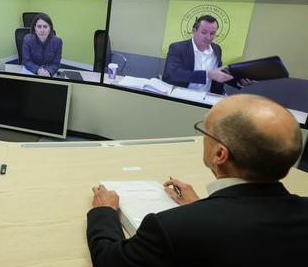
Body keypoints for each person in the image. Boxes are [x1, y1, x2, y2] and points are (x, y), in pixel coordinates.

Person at [86, 94, 307, 267]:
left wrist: (104, 212)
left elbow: (109, 261)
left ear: (220, 154)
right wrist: (201, 207)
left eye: (206, 131)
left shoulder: (172, 227)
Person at [162, 15, 247, 94]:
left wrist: (238, 81)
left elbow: (218, 75)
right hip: (182, 95)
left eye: (212, 33)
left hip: (207, 97)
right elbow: (174, 74)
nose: (208, 37)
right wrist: (208, 74)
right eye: (204, 32)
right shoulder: (178, 48)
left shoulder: (217, 49)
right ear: (194, 31)